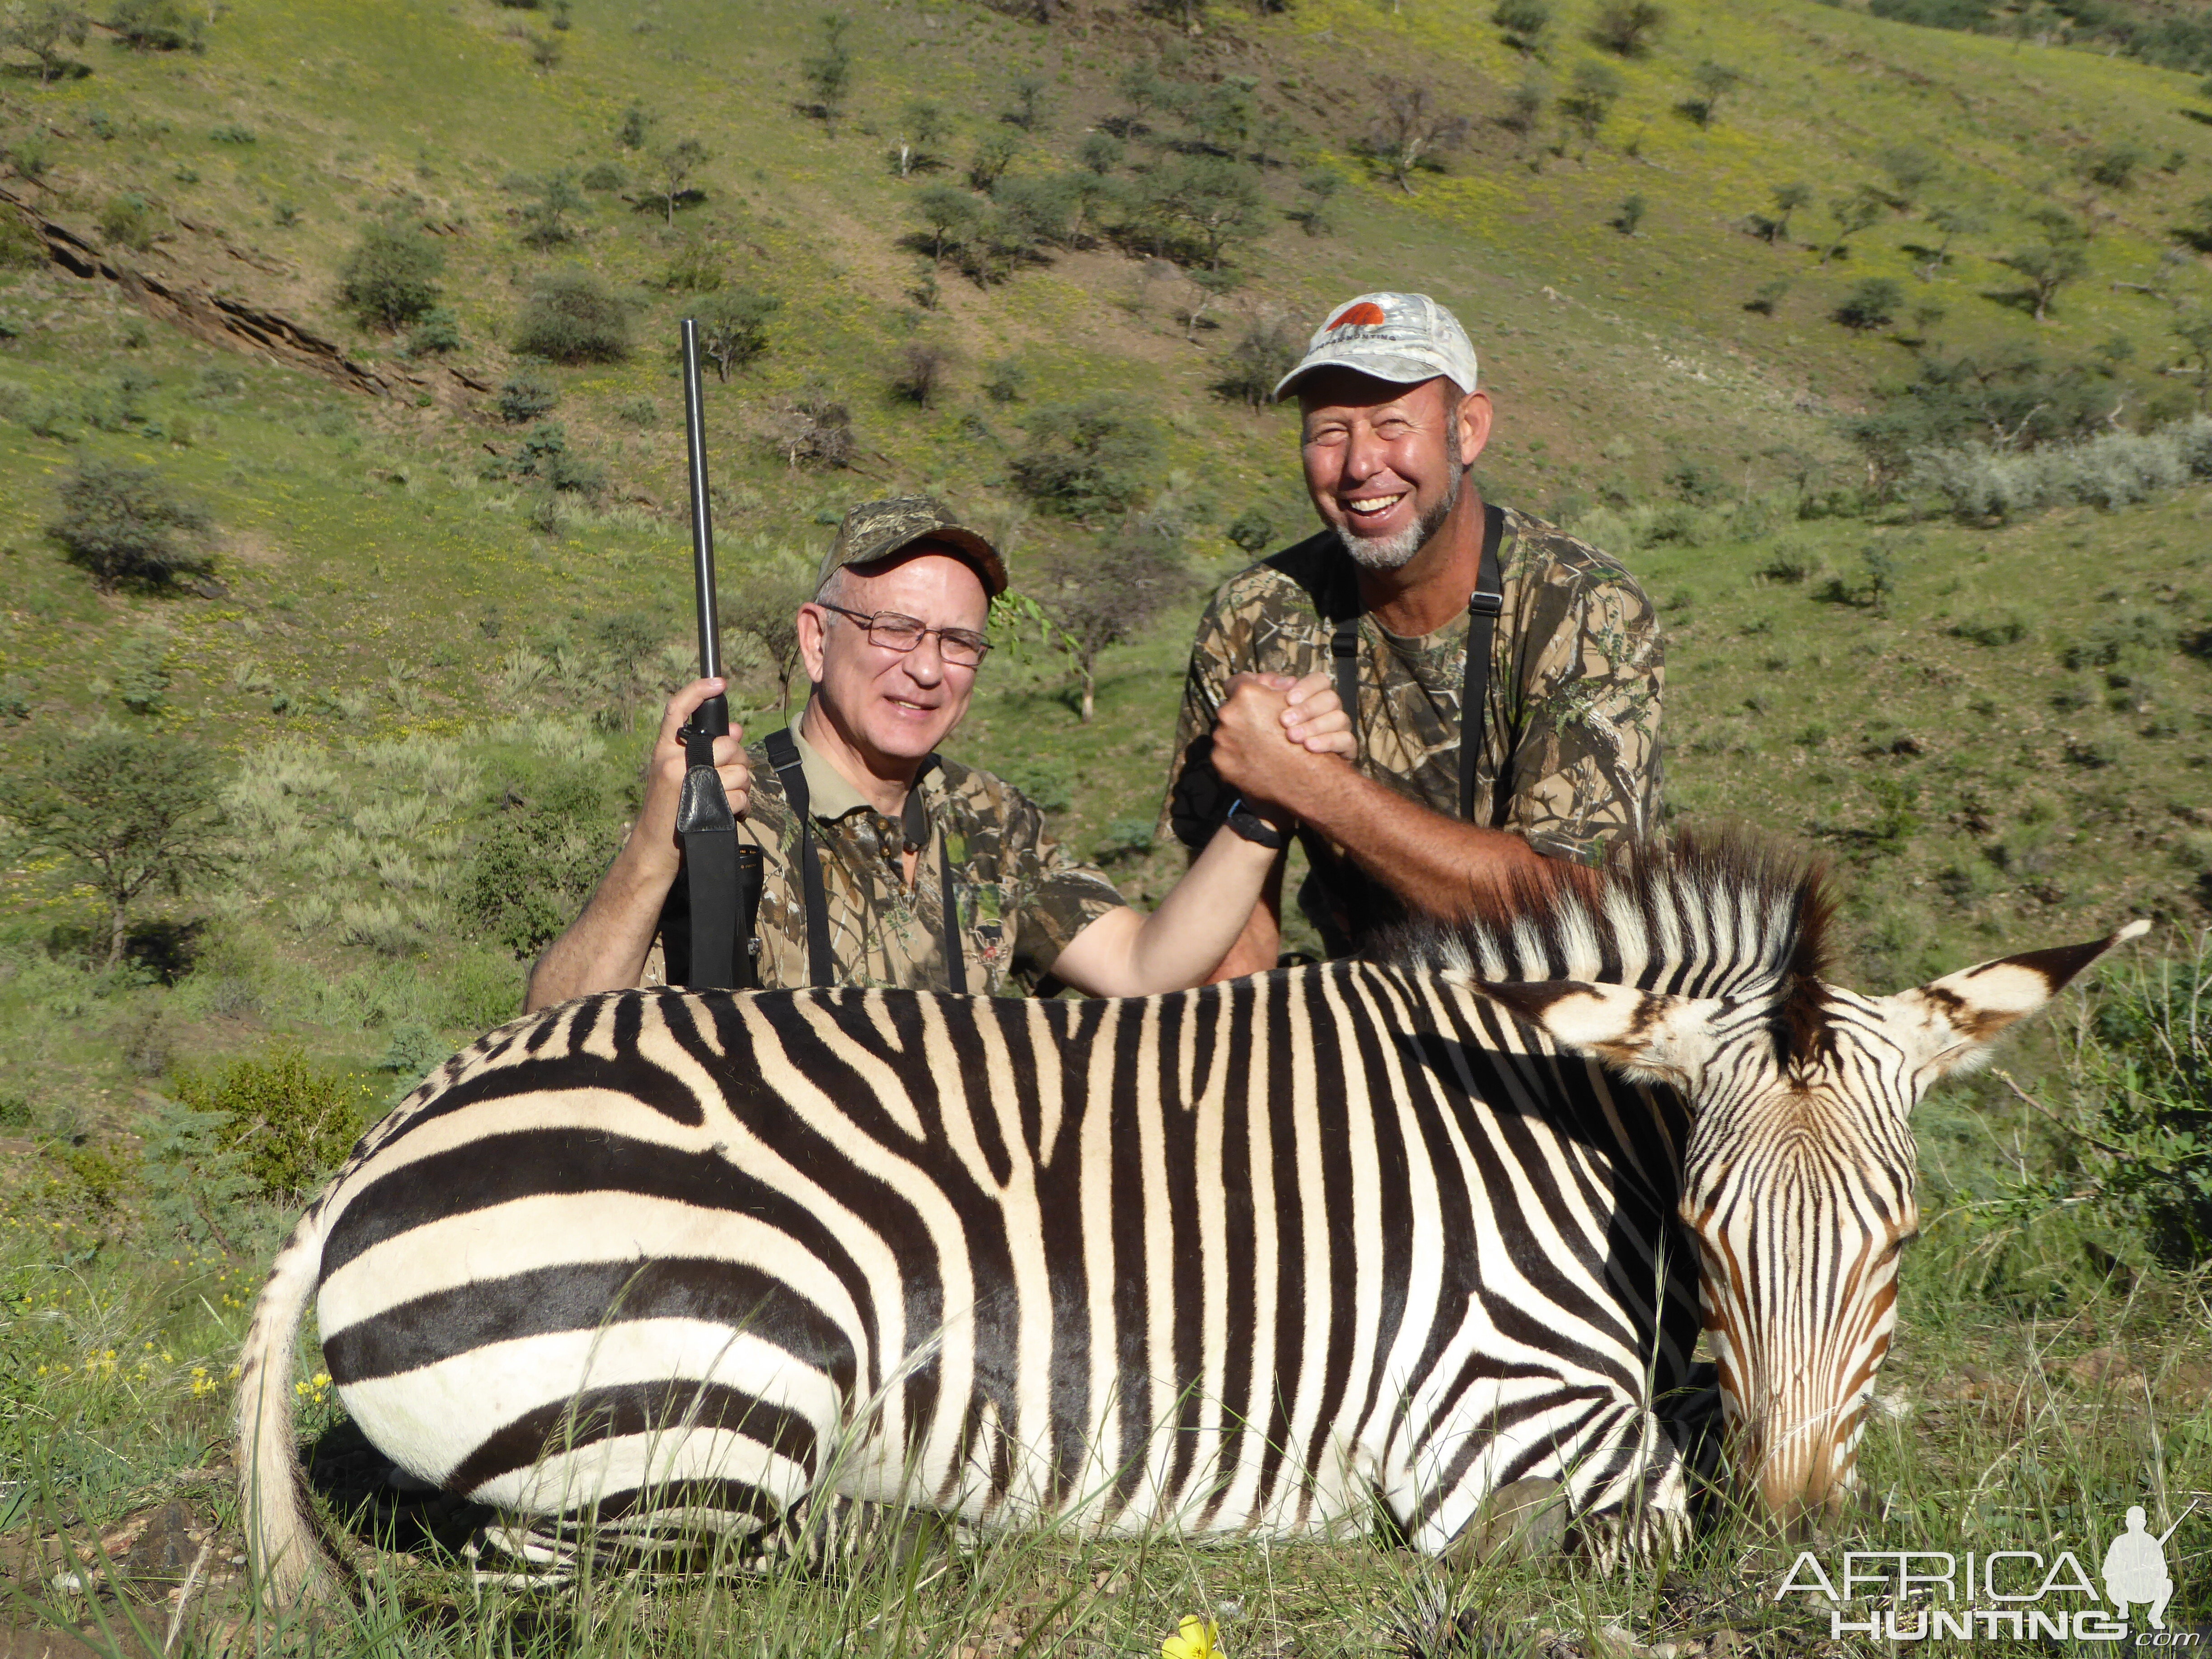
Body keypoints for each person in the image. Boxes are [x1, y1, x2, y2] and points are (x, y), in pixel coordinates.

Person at [526, 497, 1350, 1009]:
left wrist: (1271, 804)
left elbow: (1144, 966)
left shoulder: (995, 820)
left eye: (959, 643)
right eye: (895, 630)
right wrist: (649, 849)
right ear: (816, 641)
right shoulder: (725, 813)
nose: (926, 669)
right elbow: (549, 1029)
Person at [1159, 291, 1665, 976]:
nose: (1361, 465)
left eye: (1393, 423)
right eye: (1329, 432)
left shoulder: (1585, 604)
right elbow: (1236, 932)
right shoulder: (1254, 616)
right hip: (1370, 1023)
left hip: (1565, 1019)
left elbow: (1573, 911)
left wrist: (1309, 786)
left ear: (1469, 429)